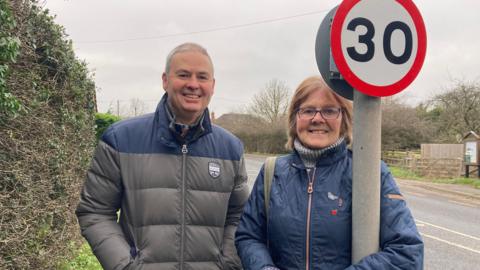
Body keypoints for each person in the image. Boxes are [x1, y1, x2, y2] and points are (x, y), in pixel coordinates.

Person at [76, 42, 249, 270]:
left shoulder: (231, 148)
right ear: (165, 80)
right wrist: (127, 266)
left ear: (213, 85)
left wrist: (225, 263)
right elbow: (95, 211)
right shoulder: (121, 139)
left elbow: (240, 216)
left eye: (202, 77)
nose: (193, 84)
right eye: (184, 74)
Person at [235, 75, 424, 270]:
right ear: (294, 118)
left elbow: (407, 252)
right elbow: (249, 236)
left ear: (344, 119)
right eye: (308, 110)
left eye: (329, 111)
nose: (317, 119)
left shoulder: (369, 173)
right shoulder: (272, 172)